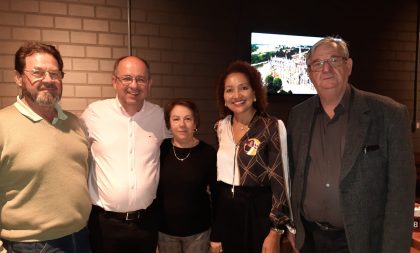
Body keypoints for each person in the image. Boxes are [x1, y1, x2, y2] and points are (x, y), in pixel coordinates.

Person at [287, 36, 416, 253]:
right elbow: (292, 177)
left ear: (348, 66)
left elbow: (401, 195)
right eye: (318, 64)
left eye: (334, 60)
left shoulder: (389, 114)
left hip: (361, 242)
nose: (326, 69)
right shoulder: (297, 116)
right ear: (309, 73)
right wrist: (293, 227)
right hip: (309, 239)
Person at [0, 41, 91, 253]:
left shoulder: (73, 123)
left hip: (81, 237)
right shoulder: (2, 125)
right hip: (30, 245)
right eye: (37, 72)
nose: (48, 80)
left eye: (55, 74)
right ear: (18, 78)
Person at [81, 55, 169, 253]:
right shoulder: (94, 113)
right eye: (127, 78)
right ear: (114, 81)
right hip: (105, 225)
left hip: (146, 223)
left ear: (149, 83)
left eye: (141, 79)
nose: (134, 85)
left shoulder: (159, 116)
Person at [210, 60, 294, 253]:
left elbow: (281, 182)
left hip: (258, 213)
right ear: (223, 97)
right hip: (228, 211)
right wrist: (217, 230)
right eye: (229, 90)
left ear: (255, 93)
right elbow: (221, 184)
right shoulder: (221, 127)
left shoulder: (272, 126)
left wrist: (276, 231)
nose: (236, 95)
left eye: (244, 88)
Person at [156, 98, 217, 253]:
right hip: (165, 232)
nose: (182, 124)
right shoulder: (160, 149)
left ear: (195, 123)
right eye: (176, 119)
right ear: (169, 123)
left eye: (187, 119)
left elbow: (217, 196)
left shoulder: (208, 153)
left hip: (198, 233)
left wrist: (217, 234)